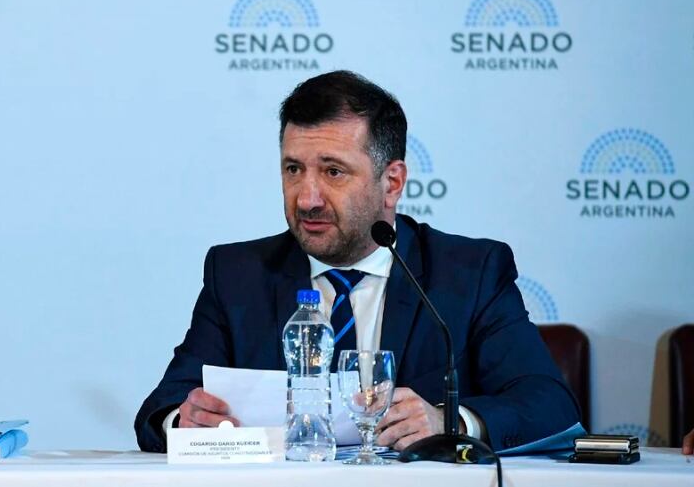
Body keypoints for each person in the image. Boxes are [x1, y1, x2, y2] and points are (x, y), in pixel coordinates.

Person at [135, 70, 580, 453]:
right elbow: (163, 407)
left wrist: (450, 421)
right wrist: (185, 421)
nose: (307, 198)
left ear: (392, 183)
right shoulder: (238, 274)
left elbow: (549, 402)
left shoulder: (468, 272)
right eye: (293, 169)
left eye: (333, 172)